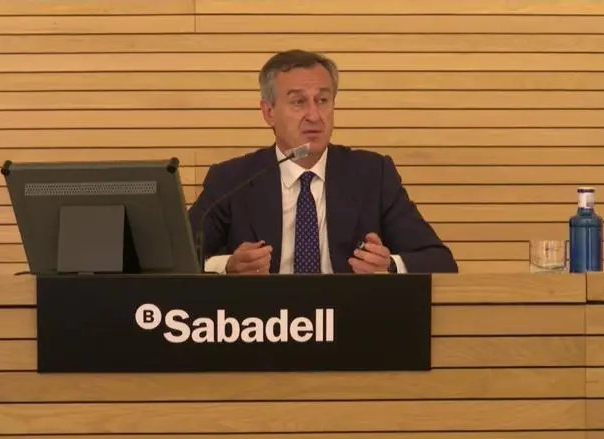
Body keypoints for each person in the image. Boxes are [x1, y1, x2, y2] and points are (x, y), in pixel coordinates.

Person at [188, 49, 458, 275]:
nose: (314, 115)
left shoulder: (373, 174)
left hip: (348, 316)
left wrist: (388, 265)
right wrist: (227, 266)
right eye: (298, 102)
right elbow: (178, 262)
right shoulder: (232, 180)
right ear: (268, 112)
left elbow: (440, 261)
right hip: (263, 319)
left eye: (323, 100)